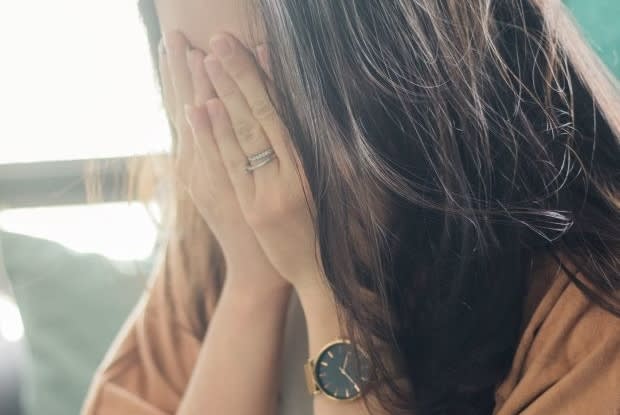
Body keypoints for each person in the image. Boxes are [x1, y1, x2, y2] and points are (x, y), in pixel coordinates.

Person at [82, 0, 620, 414]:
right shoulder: (215, 240)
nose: (231, 137)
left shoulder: (585, 304)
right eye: (190, 77)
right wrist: (249, 284)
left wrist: (334, 290)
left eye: (256, 91)